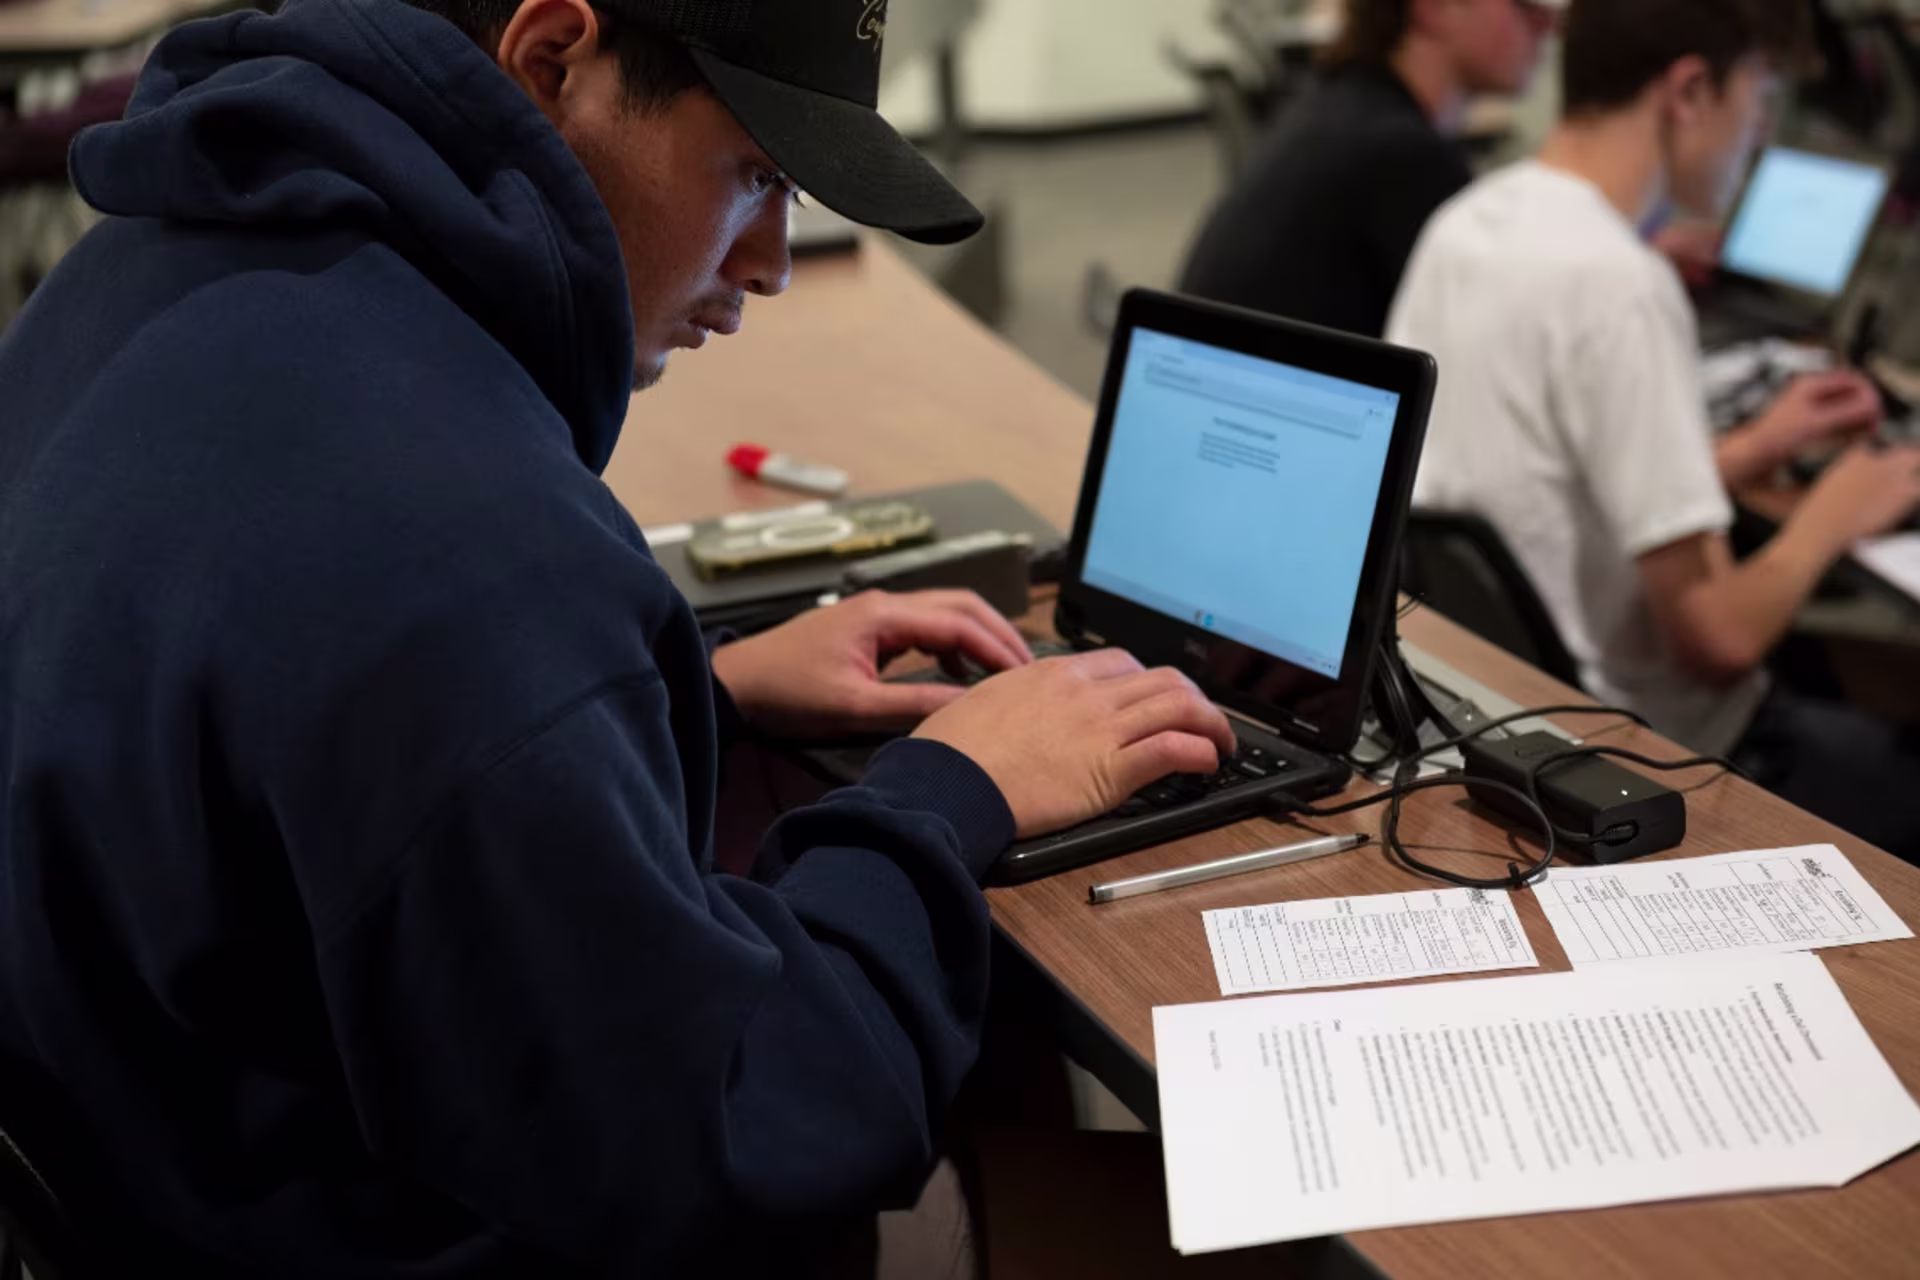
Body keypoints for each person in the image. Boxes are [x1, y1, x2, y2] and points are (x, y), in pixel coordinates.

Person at [0, 0, 1240, 1273]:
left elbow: (325, 712)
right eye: (753, 174)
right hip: (390, 1226)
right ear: (552, 61)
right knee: (1220, 1228)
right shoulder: (461, 537)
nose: (770, 260)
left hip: (173, 1154)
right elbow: (733, 1142)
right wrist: (951, 788)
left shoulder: (151, 261)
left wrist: (681, 684)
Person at [1388, 0, 1920, 858]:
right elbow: (1719, 640)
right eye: (1756, 105)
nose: (1755, 143)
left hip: (1494, 709)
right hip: (1659, 755)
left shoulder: (1469, 224)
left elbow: (1548, 480)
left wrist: (1750, 449)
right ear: (1690, 90)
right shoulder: (1620, 281)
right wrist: (1837, 512)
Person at [1176, 0, 1560, 337]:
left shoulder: (1339, 107)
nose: (1548, 23)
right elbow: (1495, 342)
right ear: (1433, 7)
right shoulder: (1401, 156)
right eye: (1523, 4)